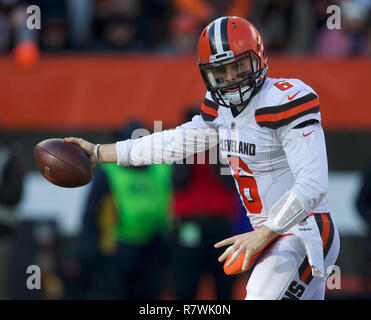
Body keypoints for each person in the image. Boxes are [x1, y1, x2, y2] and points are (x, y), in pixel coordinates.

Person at [65, 16, 340, 300]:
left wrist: (265, 232)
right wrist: (99, 153)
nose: (232, 80)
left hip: (303, 232)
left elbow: (312, 184)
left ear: (258, 57)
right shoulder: (222, 112)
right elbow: (170, 143)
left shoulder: (284, 100)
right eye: (221, 72)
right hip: (275, 238)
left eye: (238, 67)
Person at [78, 121, 173, 299]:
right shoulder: (109, 172)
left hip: (153, 247)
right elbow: (91, 212)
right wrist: (89, 247)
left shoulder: (160, 169)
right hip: (117, 246)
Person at [171, 107, 237, 300]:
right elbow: (179, 182)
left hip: (220, 225)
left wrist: (213, 149)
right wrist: (191, 150)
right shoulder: (182, 149)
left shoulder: (226, 147)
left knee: (224, 284)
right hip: (189, 224)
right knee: (186, 283)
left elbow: (230, 183)